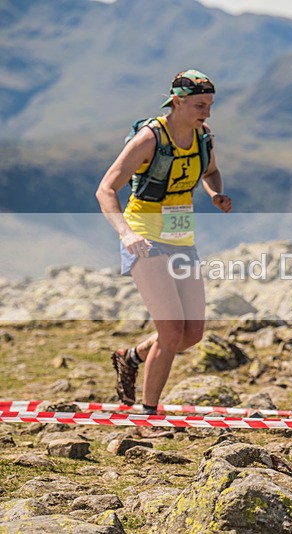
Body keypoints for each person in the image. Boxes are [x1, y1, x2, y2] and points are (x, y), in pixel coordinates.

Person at [96, 69, 232, 414]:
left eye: (210, 105)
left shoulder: (203, 137)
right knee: (171, 333)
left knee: (192, 335)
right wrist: (126, 233)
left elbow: (210, 170)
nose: (207, 112)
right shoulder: (148, 139)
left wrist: (215, 193)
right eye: (200, 105)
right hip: (145, 239)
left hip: (182, 239)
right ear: (177, 101)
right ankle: (148, 412)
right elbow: (106, 189)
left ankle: (132, 356)